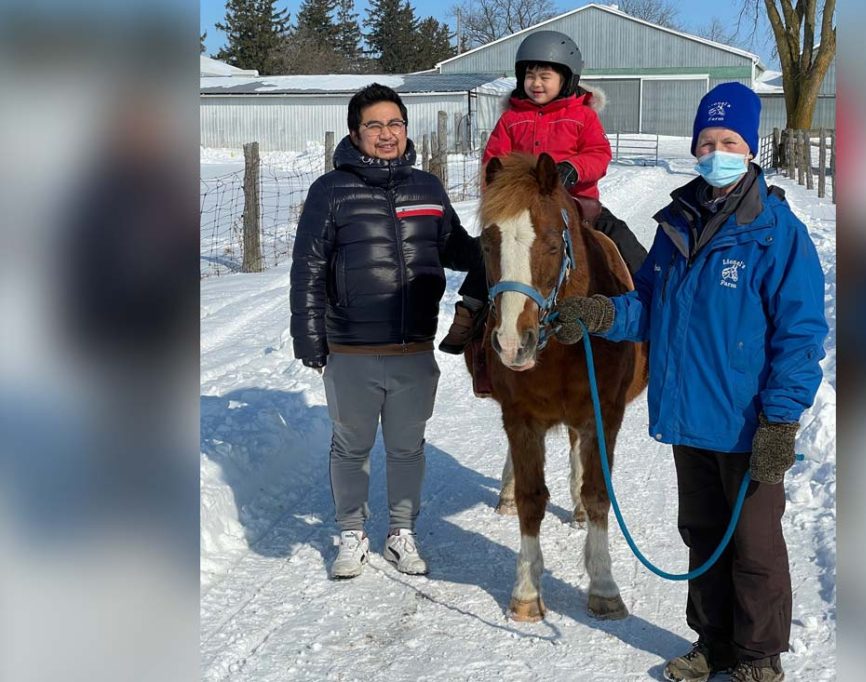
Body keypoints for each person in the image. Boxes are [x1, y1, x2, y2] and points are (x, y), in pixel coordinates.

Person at [554, 82, 828, 681]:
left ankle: (759, 656)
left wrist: (781, 420)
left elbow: (801, 335)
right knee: (702, 537)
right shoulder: (676, 223)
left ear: (751, 148)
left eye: (729, 141)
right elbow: (650, 303)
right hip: (690, 416)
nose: (715, 151)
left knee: (754, 546)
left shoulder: (778, 232)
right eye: (706, 141)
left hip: (750, 421)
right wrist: (604, 313)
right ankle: (714, 642)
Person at [290, 84, 483, 579]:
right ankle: (351, 533)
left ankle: (402, 532)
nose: (386, 134)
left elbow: (457, 248)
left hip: (413, 346)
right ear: (355, 133)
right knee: (350, 447)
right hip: (351, 346)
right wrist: (308, 335)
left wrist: (504, 243)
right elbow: (308, 268)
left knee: (406, 447)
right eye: (374, 125)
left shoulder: (428, 188)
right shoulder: (329, 191)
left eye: (394, 124)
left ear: (405, 129)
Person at [438, 30, 648, 371]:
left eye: (545, 76)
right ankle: (471, 308)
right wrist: (502, 191)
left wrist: (572, 168)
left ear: (565, 79)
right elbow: (493, 159)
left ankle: (652, 296)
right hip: (523, 208)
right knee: (493, 247)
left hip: (577, 204)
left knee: (621, 238)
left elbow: (599, 153)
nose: (536, 83)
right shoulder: (511, 118)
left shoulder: (582, 115)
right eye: (530, 75)